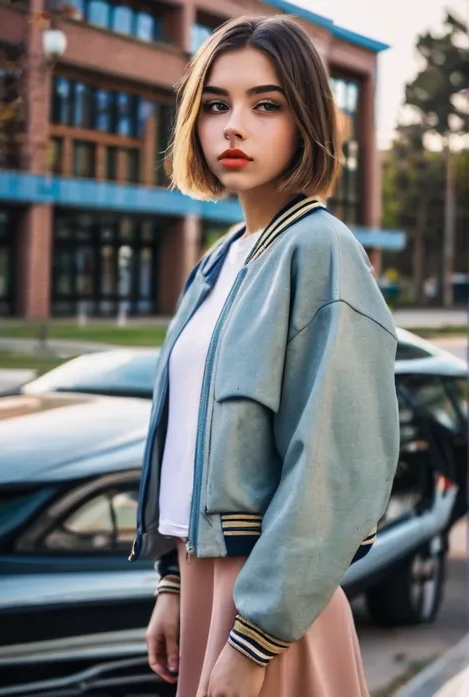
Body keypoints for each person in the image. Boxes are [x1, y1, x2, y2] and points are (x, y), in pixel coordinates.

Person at [129, 15, 399, 697]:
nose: (233, 126)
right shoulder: (219, 262)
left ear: (305, 117)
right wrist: (170, 581)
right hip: (204, 579)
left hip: (275, 607)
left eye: (266, 104)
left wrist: (255, 637)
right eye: (215, 103)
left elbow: (337, 471)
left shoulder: (323, 251)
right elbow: (194, 441)